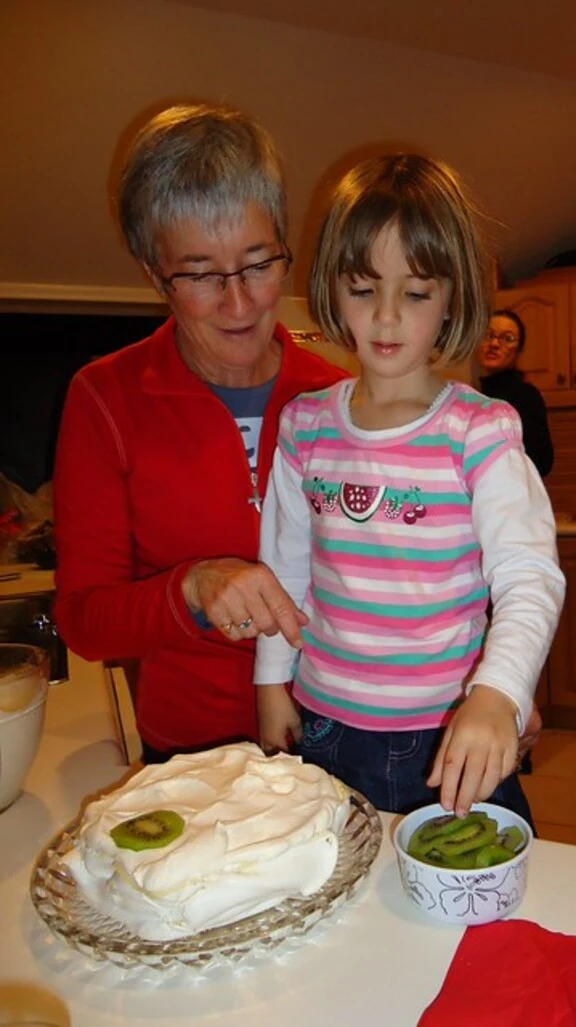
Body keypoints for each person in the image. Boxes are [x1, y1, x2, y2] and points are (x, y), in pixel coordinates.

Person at [253, 153, 565, 820]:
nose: (387, 318)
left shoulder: (479, 432)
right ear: (332, 288)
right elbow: (284, 570)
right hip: (325, 725)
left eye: (416, 293)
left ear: (453, 297)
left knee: (467, 910)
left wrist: (498, 692)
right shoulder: (304, 426)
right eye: (364, 289)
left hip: (448, 729)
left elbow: (529, 574)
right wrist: (271, 680)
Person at [53, 103, 348, 763]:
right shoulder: (104, 398)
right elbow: (85, 621)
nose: (239, 302)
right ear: (155, 274)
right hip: (194, 754)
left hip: (340, 734)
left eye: (258, 262)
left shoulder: (335, 396)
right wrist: (190, 589)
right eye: (201, 274)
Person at [477, 308, 554, 478]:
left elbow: (543, 461)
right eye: (488, 335)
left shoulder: (525, 396)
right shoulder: (472, 394)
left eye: (507, 339)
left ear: (519, 350)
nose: (495, 344)